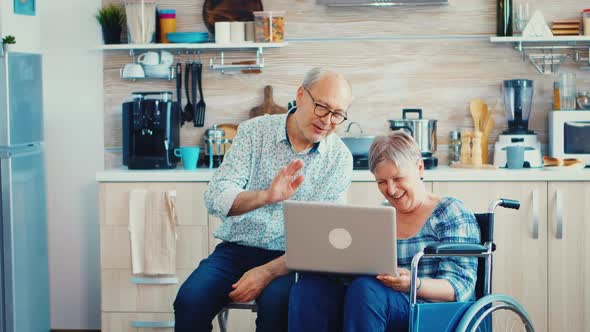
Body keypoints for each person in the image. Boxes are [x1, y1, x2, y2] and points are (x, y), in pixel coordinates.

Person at [173, 68, 354, 332]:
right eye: (322, 107)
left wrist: (267, 271)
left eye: (337, 114)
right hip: (236, 249)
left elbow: (325, 237)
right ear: (301, 95)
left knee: (277, 307)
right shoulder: (254, 132)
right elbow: (215, 197)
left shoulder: (339, 158)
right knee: (189, 301)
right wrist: (265, 197)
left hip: (291, 258)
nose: (327, 121)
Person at [288, 131, 481, 332]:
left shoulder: (450, 212)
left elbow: (460, 287)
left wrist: (413, 284)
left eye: (398, 178)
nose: (391, 190)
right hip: (378, 303)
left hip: (433, 312)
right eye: (381, 182)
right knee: (309, 289)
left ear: (420, 168)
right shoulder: (380, 215)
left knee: (366, 290)